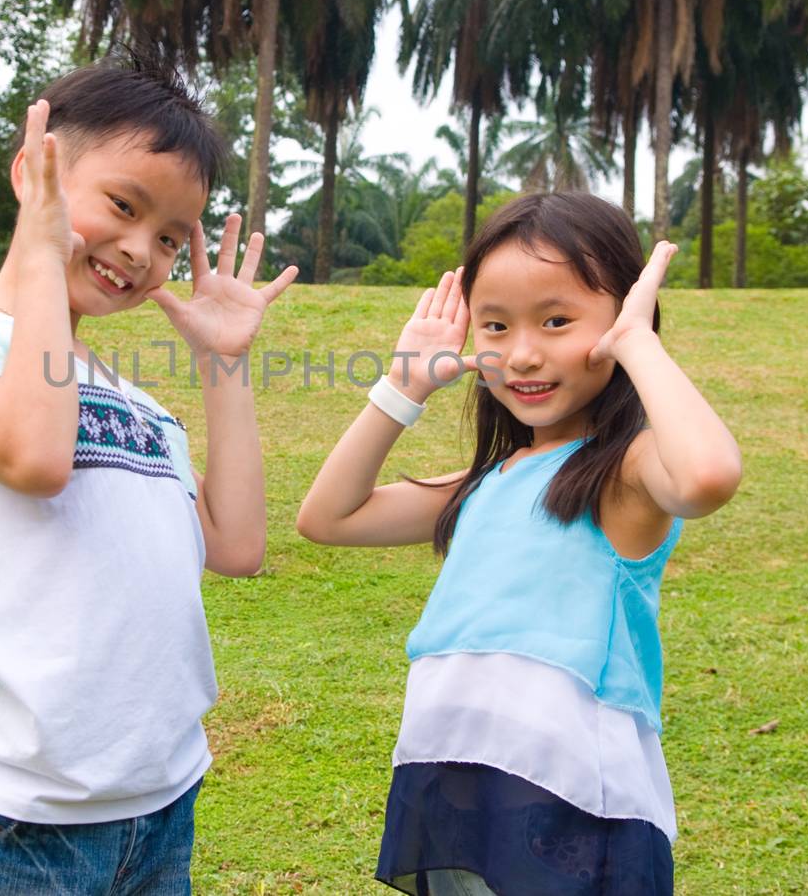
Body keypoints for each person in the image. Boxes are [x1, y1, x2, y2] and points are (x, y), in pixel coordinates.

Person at [0, 55, 297, 894]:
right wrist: (39, 256)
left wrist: (223, 367)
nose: (142, 251)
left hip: (156, 801)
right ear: (37, 174)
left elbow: (240, 543)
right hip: (10, 811)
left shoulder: (138, 404)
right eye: (123, 206)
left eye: (172, 238)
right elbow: (35, 459)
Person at [296, 192, 741, 895]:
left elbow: (708, 475)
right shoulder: (484, 483)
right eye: (495, 326)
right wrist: (402, 387)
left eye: (558, 321)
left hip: (570, 796)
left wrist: (638, 342)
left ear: (622, 317)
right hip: (454, 772)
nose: (523, 353)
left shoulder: (621, 475)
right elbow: (327, 517)